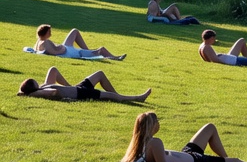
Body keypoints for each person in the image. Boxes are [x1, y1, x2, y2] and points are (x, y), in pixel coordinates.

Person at [117, 111, 247, 162]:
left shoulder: (138, 145)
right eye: (157, 122)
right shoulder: (154, 143)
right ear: (151, 126)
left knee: (209, 128)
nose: (159, 124)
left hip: (188, 154)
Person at [19, 66, 151, 103]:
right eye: (37, 82)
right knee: (108, 95)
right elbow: (54, 92)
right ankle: (137, 98)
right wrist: (66, 97)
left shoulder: (41, 87)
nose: (40, 82)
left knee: (99, 74)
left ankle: (117, 96)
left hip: (78, 88)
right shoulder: (38, 92)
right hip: (81, 94)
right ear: (34, 88)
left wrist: (68, 86)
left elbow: (53, 70)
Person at [34, 25, 125, 61]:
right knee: (101, 49)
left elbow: (39, 50)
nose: (51, 33)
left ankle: (87, 50)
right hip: (70, 52)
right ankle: (116, 58)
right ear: (45, 33)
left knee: (74, 31)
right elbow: (54, 53)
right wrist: (60, 48)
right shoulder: (46, 42)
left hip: (66, 48)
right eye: (49, 32)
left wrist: (60, 47)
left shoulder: (39, 41)